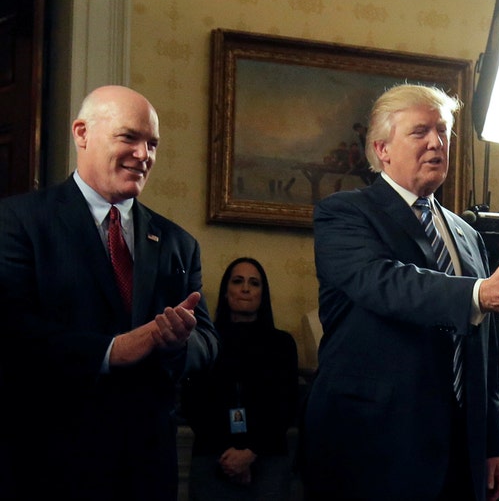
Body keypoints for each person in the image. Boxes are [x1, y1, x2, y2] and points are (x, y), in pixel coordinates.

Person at [301, 83, 499, 501]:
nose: (435, 142)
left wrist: (490, 443)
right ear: (382, 149)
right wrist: (479, 294)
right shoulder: (345, 214)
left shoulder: (465, 232)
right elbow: (386, 283)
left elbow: (481, 345)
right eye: (419, 131)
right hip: (372, 444)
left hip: (460, 452)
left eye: (442, 131)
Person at [0, 85, 218, 501]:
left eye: (152, 144)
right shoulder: (19, 222)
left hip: (146, 467)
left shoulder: (177, 243)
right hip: (47, 463)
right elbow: (13, 330)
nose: (144, 155)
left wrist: (176, 342)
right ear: (82, 133)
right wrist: (111, 350)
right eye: (129, 138)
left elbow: (207, 340)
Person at [181, 257, 299, 500]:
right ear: (226, 291)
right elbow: (192, 402)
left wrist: (250, 452)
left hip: (268, 459)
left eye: (254, 283)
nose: (246, 288)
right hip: (213, 457)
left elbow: (286, 404)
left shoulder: (282, 344)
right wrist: (229, 456)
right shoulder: (204, 340)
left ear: (262, 294)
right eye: (238, 281)